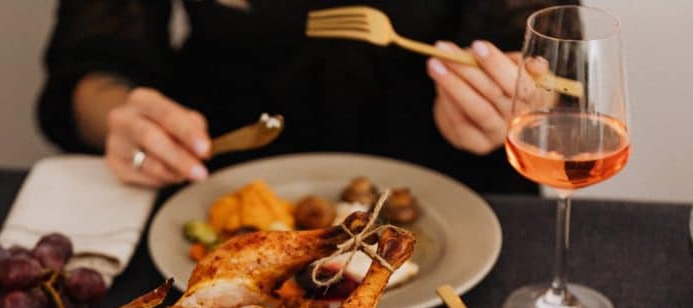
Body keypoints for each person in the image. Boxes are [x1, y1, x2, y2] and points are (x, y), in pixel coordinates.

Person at [38, 0, 572, 193]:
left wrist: (512, 102)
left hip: (452, 205)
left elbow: (560, 83)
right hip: (213, 187)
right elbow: (90, 66)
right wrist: (123, 120)